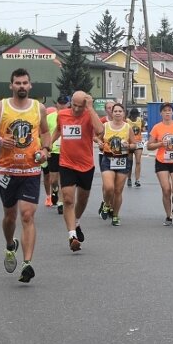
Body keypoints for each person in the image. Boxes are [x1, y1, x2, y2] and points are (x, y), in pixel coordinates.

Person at [0, 68, 51, 283]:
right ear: (11, 86)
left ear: (30, 86)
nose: (21, 86)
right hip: (7, 171)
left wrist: (45, 150)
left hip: (31, 170)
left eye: (25, 83)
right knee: (10, 216)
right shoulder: (1, 107)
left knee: (27, 215)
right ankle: (10, 245)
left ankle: (27, 263)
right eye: (17, 83)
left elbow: (46, 133)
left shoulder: (39, 108)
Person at [51, 90, 103, 252]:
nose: (76, 109)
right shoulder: (63, 114)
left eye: (80, 107)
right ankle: (72, 235)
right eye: (74, 105)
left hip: (86, 165)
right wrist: (46, 145)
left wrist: (90, 108)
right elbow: (58, 131)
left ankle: (77, 221)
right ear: (70, 102)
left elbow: (100, 130)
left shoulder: (89, 115)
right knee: (67, 199)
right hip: (66, 163)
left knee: (82, 200)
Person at [147, 102, 173, 226]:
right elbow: (149, 146)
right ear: (161, 113)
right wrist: (160, 144)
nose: (167, 112)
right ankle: (168, 216)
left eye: (169, 110)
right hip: (162, 161)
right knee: (166, 189)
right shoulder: (157, 127)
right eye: (165, 111)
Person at [98, 102, 136, 226]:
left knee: (118, 191)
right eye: (115, 111)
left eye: (120, 111)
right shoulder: (106, 125)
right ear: (112, 113)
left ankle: (115, 215)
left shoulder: (127, 127)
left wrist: (128, 145)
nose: (118, 113)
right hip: (108, 159)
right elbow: (96, 137)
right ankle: (107, 204)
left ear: (124, 113)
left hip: (122, 160)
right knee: (109, 188)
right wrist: (100, 143)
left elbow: (135, 144)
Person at [46, 95, 69, 213]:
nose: (63, 105)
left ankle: (60, 202)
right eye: (61, 103)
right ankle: (54, 190)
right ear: (57, 104)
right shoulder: (50, 117)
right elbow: (44, 133)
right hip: (53, 150)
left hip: (66, 151)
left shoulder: (71, 116)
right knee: (53, 179)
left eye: (65, 103)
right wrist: (45, 147)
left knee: (63, 178)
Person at [127, 107, 146, 187]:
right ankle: (129, 178)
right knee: (130, 162)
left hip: (138, 143)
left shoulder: (140, 120)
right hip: (130, 144)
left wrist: (143, 129)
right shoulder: (126, 121)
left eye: (136, 115)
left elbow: (143, 129)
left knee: (138, 161)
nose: (135, 117)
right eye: (133, 116)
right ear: (130, 115)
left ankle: (137, 180)